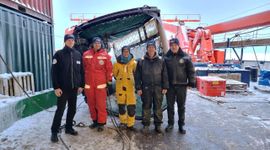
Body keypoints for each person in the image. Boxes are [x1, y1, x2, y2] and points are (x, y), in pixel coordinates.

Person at [51, 34, 84, 142]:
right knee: (60, 110)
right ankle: (54, 131)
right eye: (69, 40)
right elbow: (54, 72)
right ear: (65, 41)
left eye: (72, 40)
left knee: (72, 109)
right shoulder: (58, 54)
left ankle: (69, 127)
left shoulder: (78, 54)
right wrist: (56, 87)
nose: (71, 41)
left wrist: (81, 85)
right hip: (63, 89)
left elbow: (81, 72)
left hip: (74, 88)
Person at [135, 41, 169, 134]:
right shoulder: (141, 61)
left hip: (158, 88)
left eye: (152, 47)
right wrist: (138, 88)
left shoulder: (161, 61)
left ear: (155, 49)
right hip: (146, 88)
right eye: (149, 47)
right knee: (146, 106)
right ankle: (146, 125)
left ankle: (158, 125)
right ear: (147, 49)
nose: (151, 49)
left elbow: (165, 74)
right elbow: (137, 76)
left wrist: (165, 86)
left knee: (158, 107)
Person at [164, 38, 196, 134]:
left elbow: (191, 71)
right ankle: (170, 124)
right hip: (170, 87)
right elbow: (163, 73)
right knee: (170, 106)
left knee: (181, 107)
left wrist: (191, 82)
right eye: (172, 45)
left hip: (182, 86)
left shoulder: (186, 57)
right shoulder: (166, 57)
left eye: (175, 45)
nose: (173, 47)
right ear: (170, 46)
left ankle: (181, 125)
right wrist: (164, 85)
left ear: (178, 45)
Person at [83, 37, 113, 132]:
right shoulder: (85, 54)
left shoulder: (106, 55)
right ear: (92, 44)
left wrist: (109, 81)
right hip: (89, 84)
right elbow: (82, 69)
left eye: (99, 43)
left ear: (101, 44)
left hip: (100, 84)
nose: (97, 45)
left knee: (100, 105)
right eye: (95, 43)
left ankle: (101, 123)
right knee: (91, 104)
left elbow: (109, 69)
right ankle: (95, 121)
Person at [113, 46, 137, 131]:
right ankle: (123, 122)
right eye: (124, 51)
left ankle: (130, 124)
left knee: (131, 108)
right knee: (121, 107)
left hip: (131, 88)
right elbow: (115, 74)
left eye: (127, 51)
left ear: (129, 52)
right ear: (122, 52)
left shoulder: (134, 63)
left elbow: (136, 74)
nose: (126, 53)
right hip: (120, 88)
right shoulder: (116, 64)